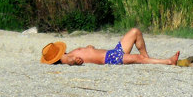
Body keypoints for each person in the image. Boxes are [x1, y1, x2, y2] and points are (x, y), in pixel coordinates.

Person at [41, 28, 181, 66]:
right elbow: (71, 61)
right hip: (109, 58)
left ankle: (147, 58)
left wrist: (89, 48)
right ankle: (168, 61)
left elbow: (85, 54)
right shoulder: (66, 58)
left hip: (112, 52)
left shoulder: (68, 53)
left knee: (135, 32)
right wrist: (74, 62)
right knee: (136, 58)